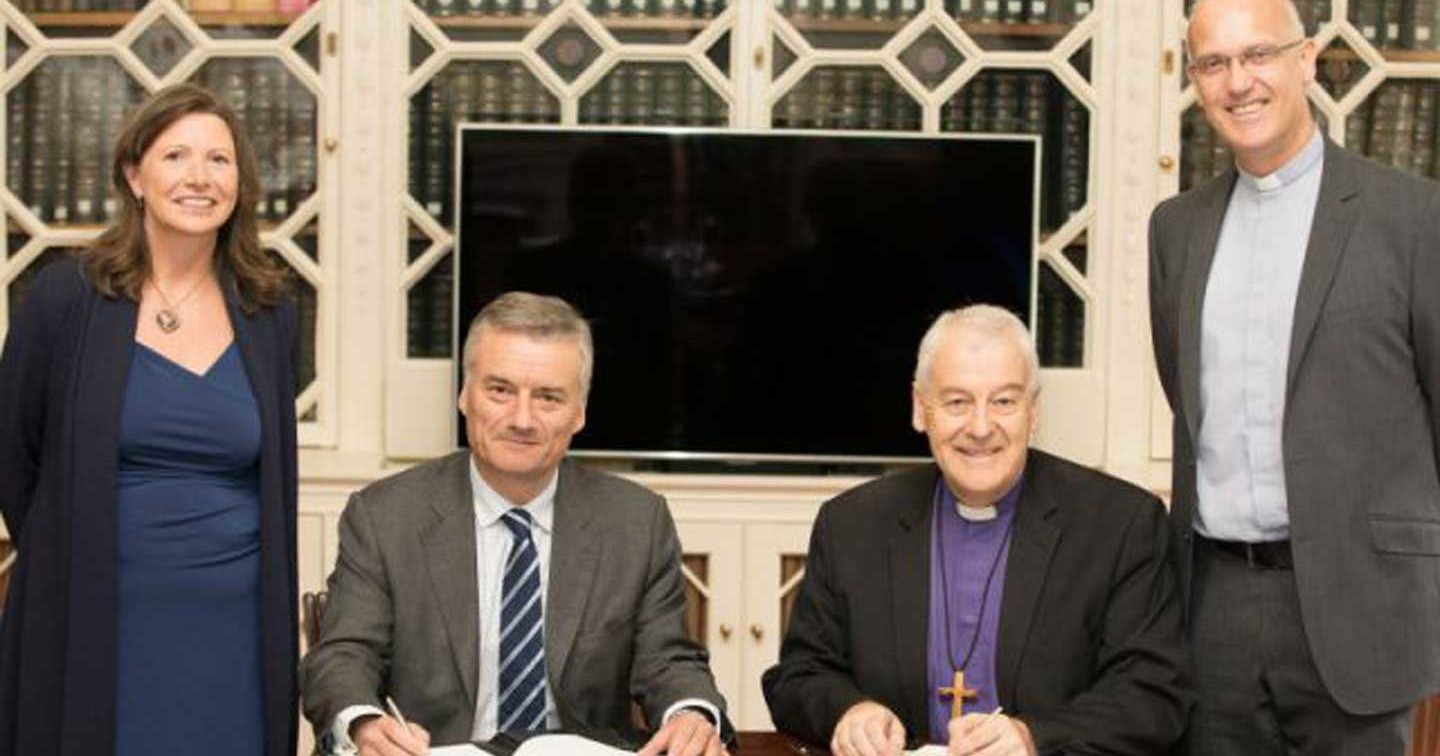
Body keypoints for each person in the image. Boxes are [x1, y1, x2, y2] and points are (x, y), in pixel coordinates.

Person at [1148, 0, 1440, 751]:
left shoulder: (1412, 219)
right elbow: (1186, 398)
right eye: (1214, 63)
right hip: (1212, 606)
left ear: (1305, 60)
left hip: (1360, 602)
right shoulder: (1176, 230)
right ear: (1195, 80)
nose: (1237, 82)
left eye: (1259, 55)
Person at [0, 83, 299, 756]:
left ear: (241, 183)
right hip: (96, 619)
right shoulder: (63, 298)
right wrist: (71, 552)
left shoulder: (270, 310)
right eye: (176, 157)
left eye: (219, 161)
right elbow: (14, 459)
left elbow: (272, 474)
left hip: (235, 626)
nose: (200, 178)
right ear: (135, 175)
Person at [300, 292, 729, 756]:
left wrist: (691, 714)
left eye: (548, 397)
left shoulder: (635, 523)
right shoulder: (385, 516)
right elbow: (344, 657)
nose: (522, 419)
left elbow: (667, 661)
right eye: (500, 391)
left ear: (579, 412)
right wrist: (364, 722)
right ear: (465, 396)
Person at [762, 305, 1189, 756]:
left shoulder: (1120, 524)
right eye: (957, 402)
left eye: (1004, 401)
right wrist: (849, 712)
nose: (981, 428)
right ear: (920, 410)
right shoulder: (851, 525)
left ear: (1033, 411)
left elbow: (1153, 695)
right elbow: (799, 675)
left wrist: (1033, 738)